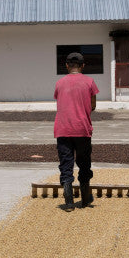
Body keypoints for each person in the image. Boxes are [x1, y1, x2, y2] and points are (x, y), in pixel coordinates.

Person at [54, 51, 99, 211]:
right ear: (83, 65)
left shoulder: (59, 83)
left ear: (67, 66)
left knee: (66, 163)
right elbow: (93, 105)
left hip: (63, 129)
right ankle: (85, 198)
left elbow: (61, 101)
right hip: (82, 129)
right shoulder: (90, 82)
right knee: (84, 163)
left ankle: (68, 202)